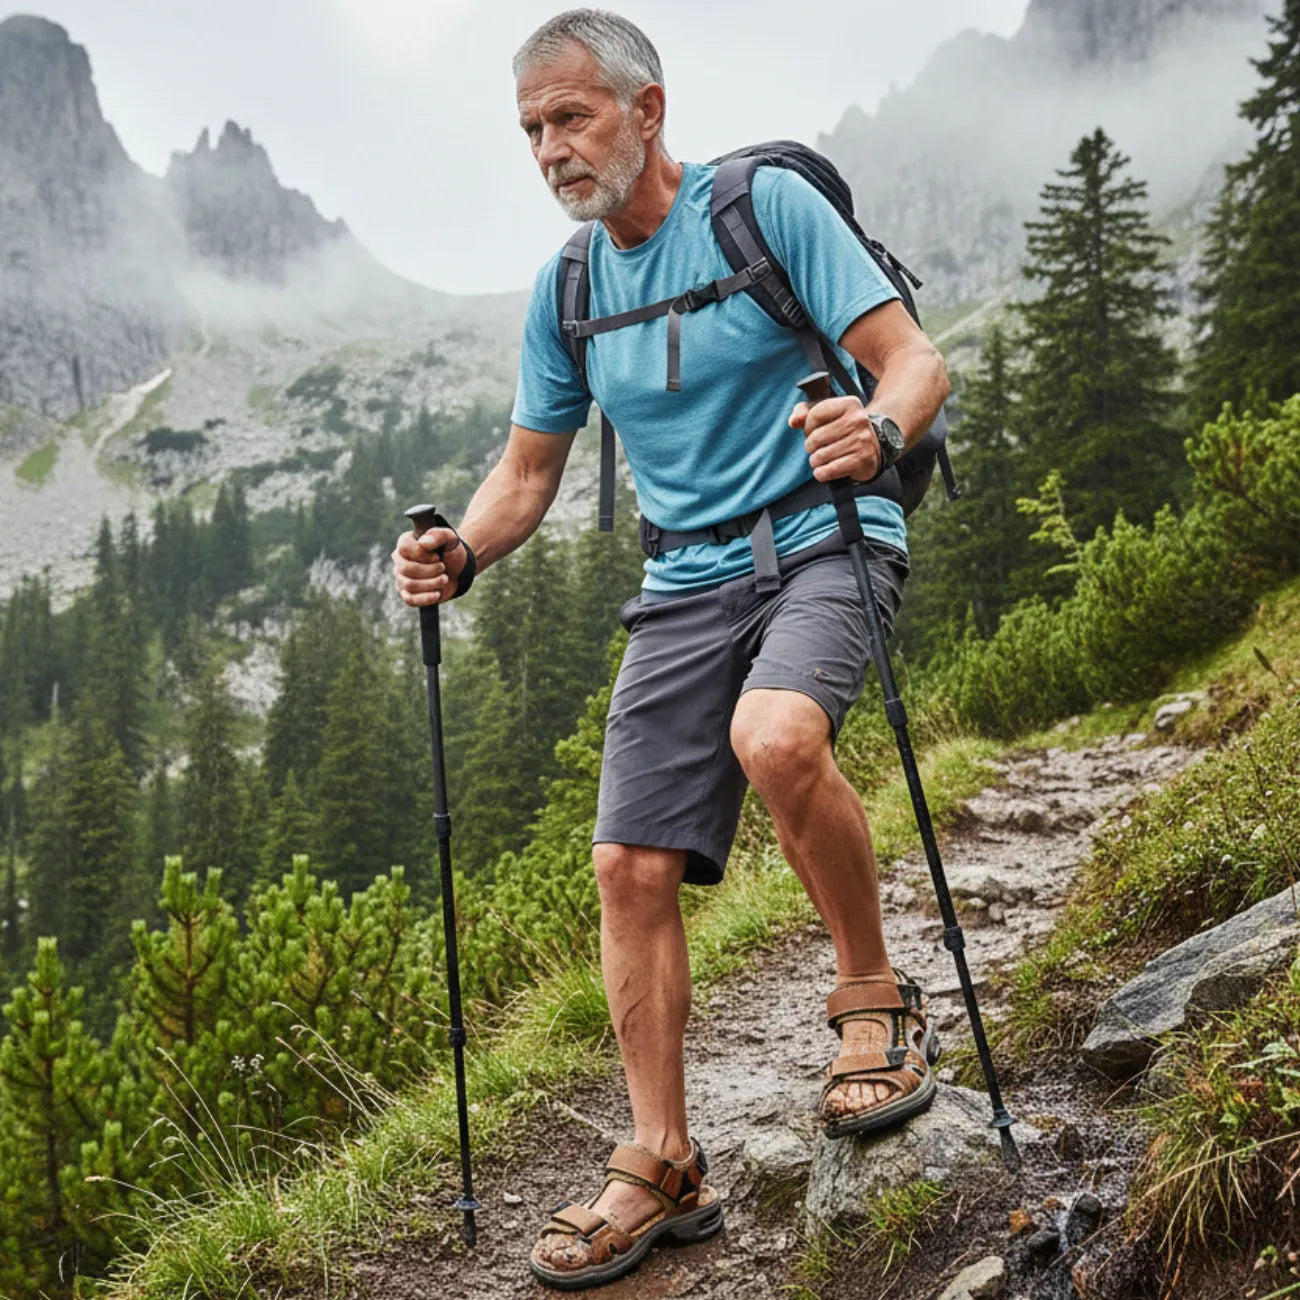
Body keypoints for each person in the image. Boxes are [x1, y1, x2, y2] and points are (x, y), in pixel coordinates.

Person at [391, 8, 950, 1290]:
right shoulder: (570, 286)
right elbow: (527, 474)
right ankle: (661, 1158)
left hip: (825, 533)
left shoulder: (762, 211)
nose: (549, 150)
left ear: (647, 111)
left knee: (776, 736)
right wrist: (459, 553)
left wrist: (875, 427)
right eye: (531, 129)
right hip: (685, 575)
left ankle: (872, 996)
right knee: (626, 864)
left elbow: (912, 360)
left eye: (571, 117)